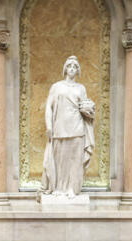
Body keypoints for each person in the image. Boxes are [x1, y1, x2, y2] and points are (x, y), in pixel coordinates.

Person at [41, 55, 95, 198]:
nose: (72, 69)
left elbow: (85, 106)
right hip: (59, 128)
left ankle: (72, 188)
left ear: (78, 71)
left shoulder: (81, 88)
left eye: (75, 67)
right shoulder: (56, 87)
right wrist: (49, 126)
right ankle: (59, 188)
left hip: (77, 128)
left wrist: (90, 110)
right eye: (69, 66)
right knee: (60, 160)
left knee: (75, 160)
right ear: (65, 69)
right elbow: (49, 107)